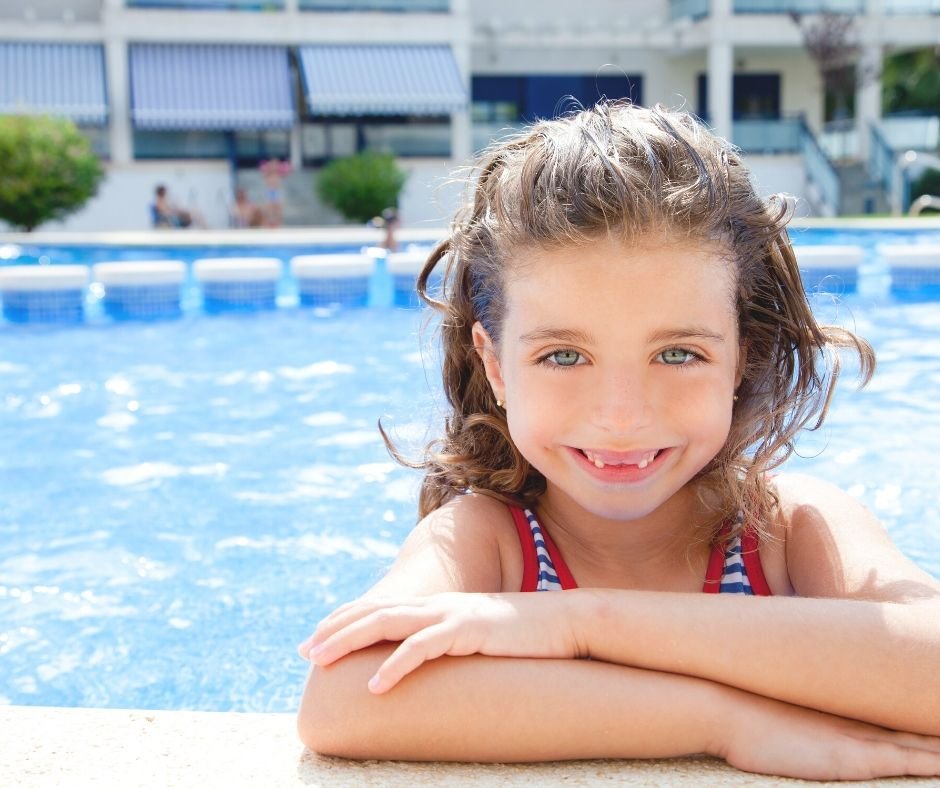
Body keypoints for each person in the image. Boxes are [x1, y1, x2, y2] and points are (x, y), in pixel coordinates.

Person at [295, 103, 940, 779]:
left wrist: (581, 624)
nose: (623, 416)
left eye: (679, 353)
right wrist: (726, 720)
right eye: (565, 357)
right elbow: (344, 696)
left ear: (742, 357)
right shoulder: (490, 543)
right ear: (495, 365)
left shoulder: (787, 530)